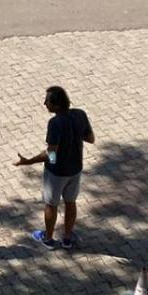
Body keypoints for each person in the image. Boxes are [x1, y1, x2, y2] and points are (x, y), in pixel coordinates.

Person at [15, 86, 94, 251]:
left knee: (51, 205)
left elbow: (52, 154)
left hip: (57, 173)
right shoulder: (80, 114)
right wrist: (73, 136)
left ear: (56, 105)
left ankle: (48, 239)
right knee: (70, 202)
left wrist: (29, 161)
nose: (44, 103)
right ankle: (67, 238)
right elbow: (90, 138)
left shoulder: (55, 123)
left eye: (47, 101)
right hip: (76, 169)